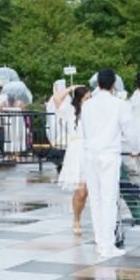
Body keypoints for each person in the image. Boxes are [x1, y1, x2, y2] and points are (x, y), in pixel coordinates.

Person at [81, 69, 140, 259]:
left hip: (90, 153)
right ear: (113, 84)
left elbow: (85, 129)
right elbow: (129, 131)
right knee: (109, 200)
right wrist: (134, 149)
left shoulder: (87, 105)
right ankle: (107, 244)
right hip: (109, 154)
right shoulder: (119, 105)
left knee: (96, 200)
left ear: (98, 83)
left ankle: (100, 241)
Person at [55, 85, 90, 234]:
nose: (89, 101)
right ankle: (76, 218)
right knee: (81, 190)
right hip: (77, 152)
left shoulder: (94, 112)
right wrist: (71, 88)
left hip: (91, 150)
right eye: (87, 98)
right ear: (80, 99)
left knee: (90, 190)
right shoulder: (70, 111)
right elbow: (57, 99)